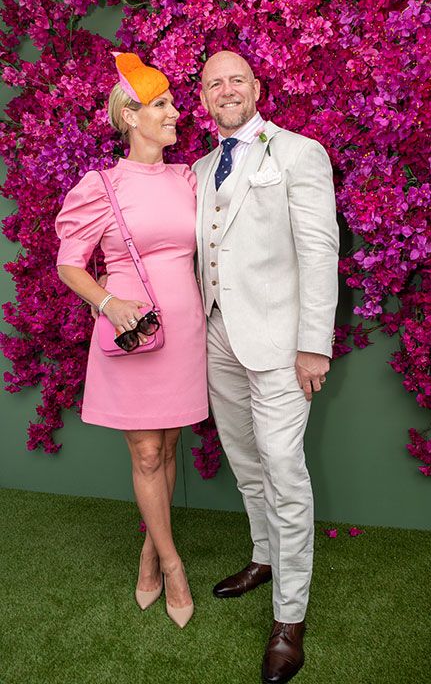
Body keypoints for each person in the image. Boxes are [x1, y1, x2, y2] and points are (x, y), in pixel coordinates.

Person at [193, 50, 339, 683]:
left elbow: (319, 249)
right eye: (212, 83)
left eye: (236, 79)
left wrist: (315, 342)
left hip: (281, 343)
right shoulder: (196, 168)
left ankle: (290, 617)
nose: (226, 89)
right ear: (202, 99)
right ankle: (263, 557)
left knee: (283, 468)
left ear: (256, 87)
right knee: (245, 460)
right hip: (217, 333)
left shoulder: (300, 153)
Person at [55, 52, 208, 629]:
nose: (175, 113)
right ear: (130, 115)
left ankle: (148, 547)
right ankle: (171, 564)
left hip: (184, 330)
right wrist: (108, 302)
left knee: (167, 450)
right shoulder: (101, 186)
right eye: (162, 104)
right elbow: (71, 264)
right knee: (146, 452)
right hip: (131, 332)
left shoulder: (189, 177)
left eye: (171, 103)